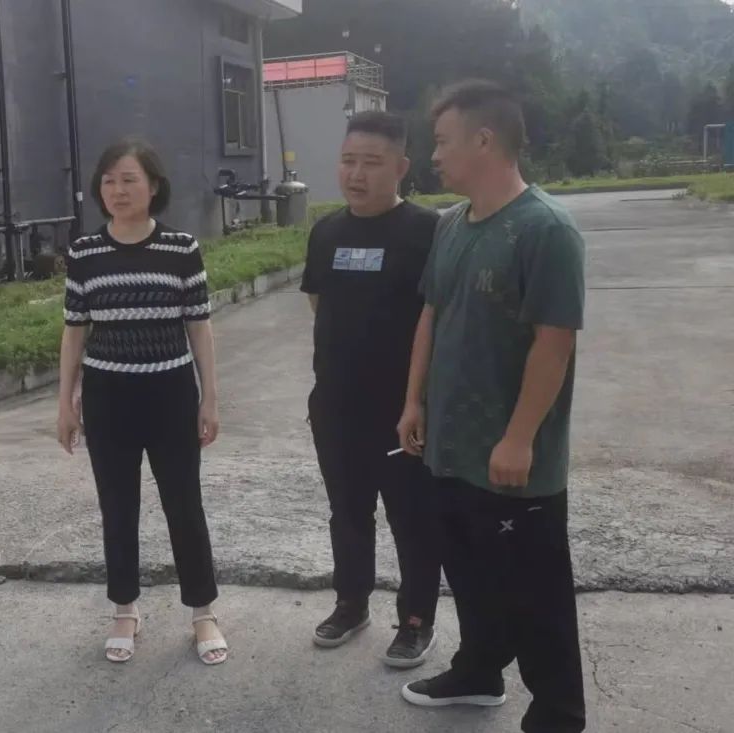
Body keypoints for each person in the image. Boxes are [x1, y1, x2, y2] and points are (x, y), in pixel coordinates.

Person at [397, 80, 587, 732]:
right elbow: (432, 314)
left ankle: (558, 713)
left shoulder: (546, 229)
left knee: (536, 594)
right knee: (471, 573)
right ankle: (479, 671)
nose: (434, 156)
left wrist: (520, 436)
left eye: (442, 142)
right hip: (451, 444)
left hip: (514, 457)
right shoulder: (452, 224)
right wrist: (414, 400)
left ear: (484, 140)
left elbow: (554, 342)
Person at [57, 138, 228, 665]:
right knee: (117, 506)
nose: (118, 190)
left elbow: (199, 327)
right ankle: (125, 609)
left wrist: (210, 398)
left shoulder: (181, 248)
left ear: (153, 186)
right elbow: (74, 332)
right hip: (108, 397)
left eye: (129, 179)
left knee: (184, 504)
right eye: (109, 181)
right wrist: (65, 403)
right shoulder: (84, 253)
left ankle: (202, 612)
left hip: (171, 393)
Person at [301, 111, 442, 668]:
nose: (356, 174)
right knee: (347, 511)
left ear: (401, 167)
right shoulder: (326, 233)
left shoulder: (428, 232)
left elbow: (438, 319)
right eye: (348, 161)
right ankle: (351, 602)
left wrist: (419, 400)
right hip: (336, 406)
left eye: (372, 163)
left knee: (412, 518)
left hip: (402, 411)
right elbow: (320, 305)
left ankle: (416, 620)